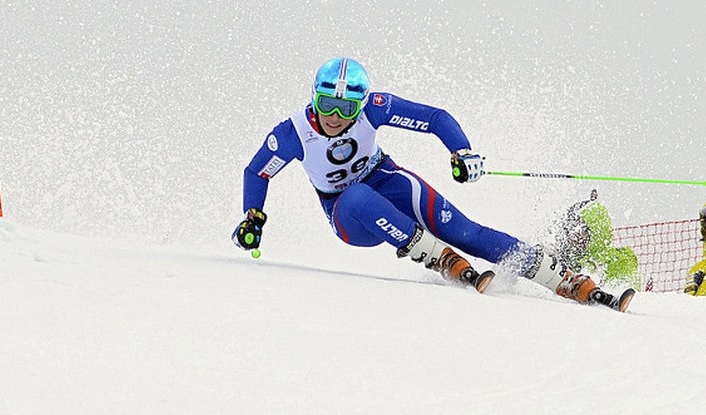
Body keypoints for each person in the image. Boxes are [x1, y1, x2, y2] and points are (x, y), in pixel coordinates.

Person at [232, 57, 632, 311]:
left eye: (346, 108)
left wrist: (462, 151)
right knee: (356, 194)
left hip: (387, 181)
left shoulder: (375, 108)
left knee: (464, 230)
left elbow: (436, 118)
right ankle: (438, 257)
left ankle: (559, 276)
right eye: (327, 105)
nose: (336, 116)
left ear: (361, 103)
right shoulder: (293, 133)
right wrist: (253, 217)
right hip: (349, 215)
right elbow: (257, 172)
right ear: (314, 99)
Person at [549, 190, 643, 290]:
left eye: (582, 228)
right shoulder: (565, 259)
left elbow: (626, 300)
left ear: (597, 232)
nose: (574, 235)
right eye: (571, 227)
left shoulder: (617, 263)